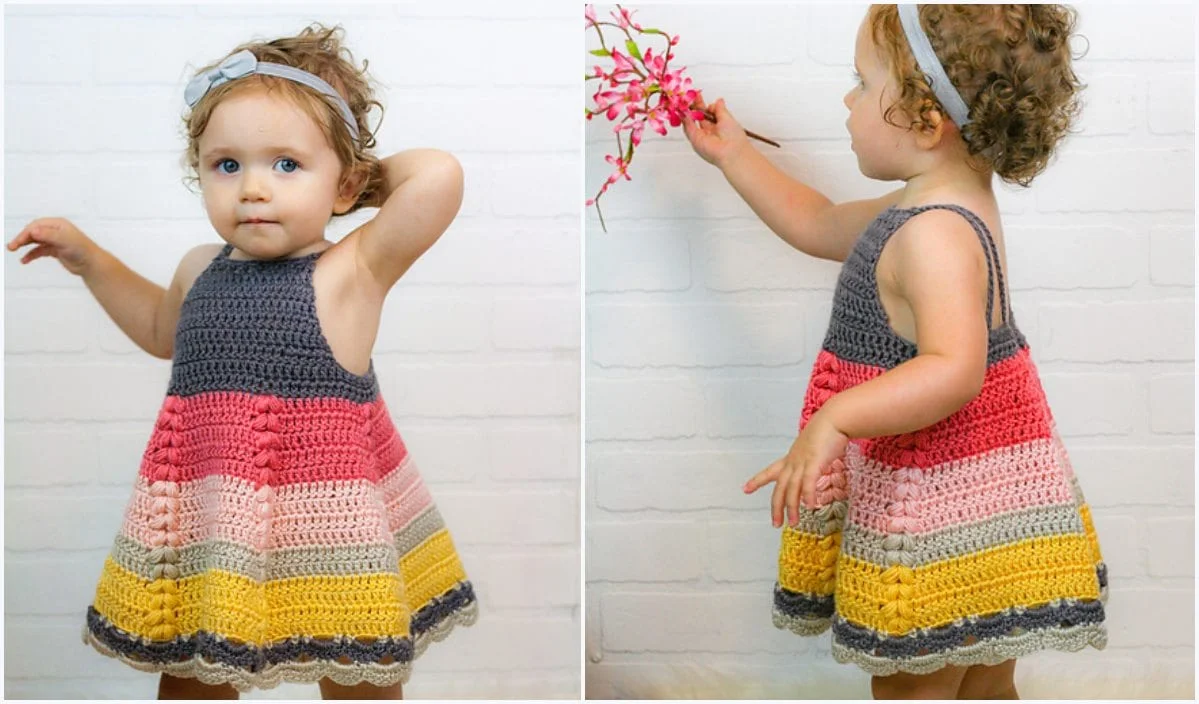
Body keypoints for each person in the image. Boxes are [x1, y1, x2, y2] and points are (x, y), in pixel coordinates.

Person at [7, 24, 476, 700]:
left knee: (358, 672)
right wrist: (90, 261)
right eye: (228, 165)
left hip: (330, 526)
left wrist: (352, 182)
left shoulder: (351, 271)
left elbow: (438, 176)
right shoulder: (200, 268)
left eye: (286, 164)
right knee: (193, 666)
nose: (253, 188)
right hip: (217, 517)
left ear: (344, 183)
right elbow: (159, 330)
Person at [682, 5, 1105, 699]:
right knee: (986, 683)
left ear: (923, 118)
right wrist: (735, 154)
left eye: (860, 82)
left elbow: (953, 368)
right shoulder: (936, 209)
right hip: (984, 505)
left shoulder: (931, 235)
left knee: (913, 688)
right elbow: (814, 221)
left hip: (937, 516)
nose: (846, 100)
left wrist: (833, 419)